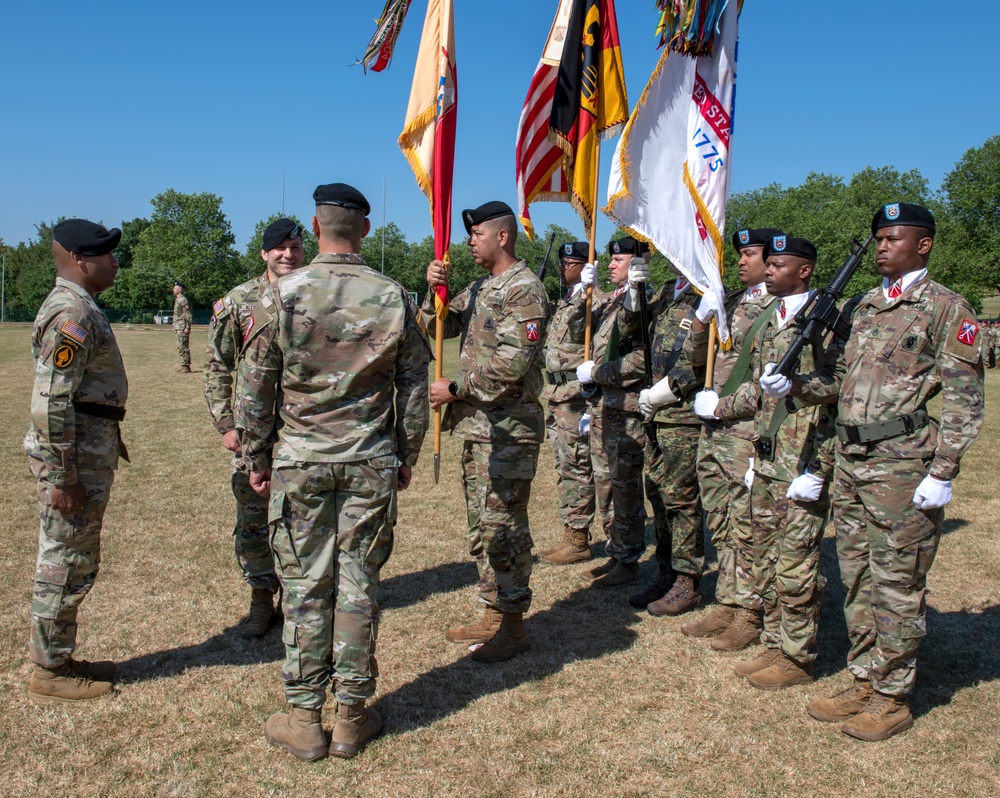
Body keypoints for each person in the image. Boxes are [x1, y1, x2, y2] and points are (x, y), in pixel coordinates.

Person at [238, 183, 429, 760]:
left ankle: (305, 717)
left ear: (314, 227)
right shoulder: (395, 296)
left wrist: (257, 456)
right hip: (369, 460)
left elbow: (254, 389)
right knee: (358, 583)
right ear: (364, 231)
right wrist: (406, 452)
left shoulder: (280, 296)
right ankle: (350, 715)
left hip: (300, 463)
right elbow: (414, 386)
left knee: (303, 585)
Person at [806, 203, 984, 741]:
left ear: (922, 245)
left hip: (904, 466)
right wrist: (792, 383)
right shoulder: (865, 306)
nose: (881, 247)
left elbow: (964, 398)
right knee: (857, 576)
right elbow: (840, 380)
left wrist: (944, 469)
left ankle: (892, 696)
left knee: (898, 582)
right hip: (854, 459)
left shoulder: (946, 307)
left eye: (892, 238)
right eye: (878, 239)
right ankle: (864, 677)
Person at [710, 234, 841, 689]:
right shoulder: (771, 319)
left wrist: (818, 469)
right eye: (770, 263)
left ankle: (798, 656)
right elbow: (761, 390)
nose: (769, 269)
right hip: (766, 455)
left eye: (779, 264)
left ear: (804, 270)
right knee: (761, 554)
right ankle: (773, 638)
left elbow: (839, 389)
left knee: (796, 564)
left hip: (801, 459)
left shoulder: (824, 321)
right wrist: (721, 407)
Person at [424, 200, 548, 662]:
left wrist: (455, 388)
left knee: (505, 529)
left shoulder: (524, 290)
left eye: (476, 234)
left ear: (502, 236)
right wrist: (432, 292)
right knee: (481, 527)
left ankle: (513, 625)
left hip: (509, 430)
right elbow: (438, 325)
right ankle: (493, 609)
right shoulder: (480, 287)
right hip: (479, 430)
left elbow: (512, 365)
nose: (469, 241)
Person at [25, 219, 129, 704]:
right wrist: (63, 475)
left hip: (85, 452)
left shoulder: (80, 306)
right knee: (64, 561)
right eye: (106, 254)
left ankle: (60, 657)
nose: (114, 262)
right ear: (80, 259)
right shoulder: (71, 312)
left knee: (75, 558)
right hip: (74, 460)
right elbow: (50, 401)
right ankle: (49, 671)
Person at [580, 253, 706, 613]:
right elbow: (634, 332)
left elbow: (699, 357)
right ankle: (667, 572)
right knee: (659, 496)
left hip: (681, 412)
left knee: (681, 500)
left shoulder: (707, 294)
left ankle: (687, 579)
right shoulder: (666, 292)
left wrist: (671, 388)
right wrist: (635, 293)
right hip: (653, 413)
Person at [203, 218, 305, 637]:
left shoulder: (314, 293)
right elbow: (217, 365)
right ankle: (261, 598)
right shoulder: (239, 301)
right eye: (279, 247)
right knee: (253, 518)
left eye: (295, 247)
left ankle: (296, 600)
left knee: (300, 520)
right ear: (263, 253)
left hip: (302, 431)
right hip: (253, 433)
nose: (288, 254)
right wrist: (226, 424)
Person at [684, 228, 780, 650]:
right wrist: (703, 321)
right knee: (720, 519)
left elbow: (768, 383)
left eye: (751, 254)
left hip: (744, 433)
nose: (741, 261)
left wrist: (720, 408)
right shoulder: (732, 303)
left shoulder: (778, 310)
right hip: (714, 433)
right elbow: (695, 360)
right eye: (739, 254)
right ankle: (728, 597)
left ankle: (751, 610)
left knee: (748, 526)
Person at [537, 241, 600, 565]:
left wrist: (594, 289)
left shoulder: (591, 299)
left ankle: (578, 539)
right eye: (561, 263)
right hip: (556, 395)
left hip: (575, 396)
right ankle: (570, 532)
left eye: (569, 263)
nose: (562, 268)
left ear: (584, 265)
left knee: (576, 465)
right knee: (564, 466)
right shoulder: (568, 298)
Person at [173, 281, 193, 372]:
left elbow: (188, 314)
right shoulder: (178, 299)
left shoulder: (183, 300)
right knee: (180, 346)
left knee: (183, 346)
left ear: (180, 290)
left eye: (175, 288)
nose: (173, 289)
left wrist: (187, 327)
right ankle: (184, 364)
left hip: (182, 326)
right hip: (178, 326)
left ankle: (186, 366)